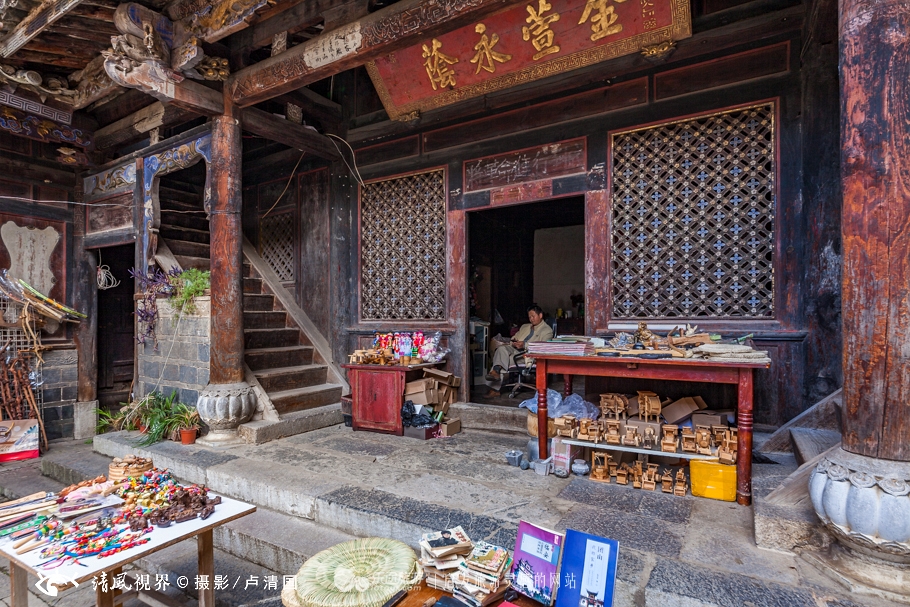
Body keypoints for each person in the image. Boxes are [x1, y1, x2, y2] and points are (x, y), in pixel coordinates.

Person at [484, 304, 553, 397]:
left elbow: (543, 347)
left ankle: (495, 387)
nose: (531, 319)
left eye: (533, 316)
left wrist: (525, 345)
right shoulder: (525, 326)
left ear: (540, 315)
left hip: (528, 355)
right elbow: (515, 337)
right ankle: (495, 372)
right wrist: (514, 341)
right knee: (501, 349)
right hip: (515, 350)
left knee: (504, 358)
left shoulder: (547, 330)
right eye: (529, 317)